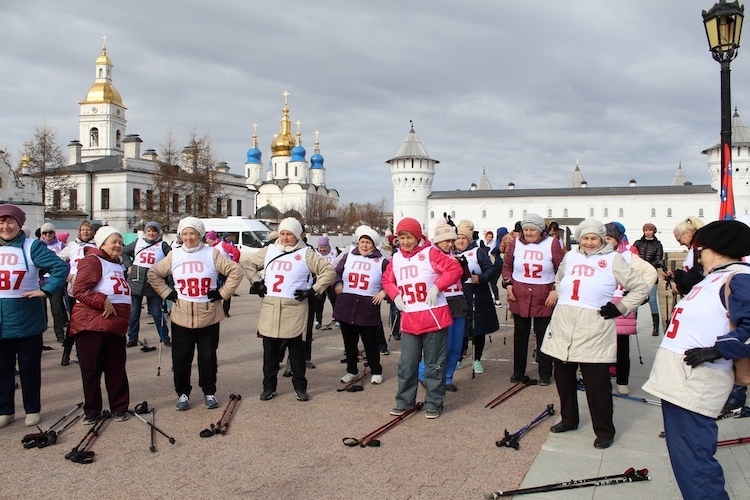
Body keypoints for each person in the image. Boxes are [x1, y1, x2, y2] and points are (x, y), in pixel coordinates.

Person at [643, 219, 750, 500]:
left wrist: (719, 350)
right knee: (686, 460)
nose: (698, 254)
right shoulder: (714, 277)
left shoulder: (738, 277)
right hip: (679, 380)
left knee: (695, 464)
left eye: (700, 249)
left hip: (697, 382)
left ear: (715, 249)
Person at [542, 219, 648, 449]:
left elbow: (640, 286)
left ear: (601, 239)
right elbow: (559, 280)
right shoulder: (570, 256)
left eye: (594, 238)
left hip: (594, 326)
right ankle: (569, 419)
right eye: (585, 237)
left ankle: (604, 430)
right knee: (563, 377)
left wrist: (620, 307)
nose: (589, 242)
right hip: (564, 323)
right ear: (579, 238)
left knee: (596, 383)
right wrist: (563, 298)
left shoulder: (613, 259)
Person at [147, 217, 243, 411]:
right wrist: (168, 293)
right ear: (180, 235)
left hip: (208, 315)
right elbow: (153, 274)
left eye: (193, 233)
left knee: (207, 358)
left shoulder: (211, 253)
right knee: (181, 358)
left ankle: (209, 391)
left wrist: (222, 293)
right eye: (185, 233)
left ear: (201, 234)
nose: (189, 237)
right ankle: (183, 393)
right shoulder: (174, 255)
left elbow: (236, 272)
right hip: (182, 315)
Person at [242, 217, 334, 402]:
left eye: (289, 234)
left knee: (297, 353)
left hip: (294, 309)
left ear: (297, 235)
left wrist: (312, 290)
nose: (285, 237)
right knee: (270, 353)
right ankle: (269, 387)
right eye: (283, 233)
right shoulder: (269, 250)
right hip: (271, 308)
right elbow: (248, 264)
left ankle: (300, 387)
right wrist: (257, 282)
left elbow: (328, 271)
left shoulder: (306, 253)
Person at [382, 217, 463, 419]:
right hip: (409, 318)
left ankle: (434, 403)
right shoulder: (396, 258)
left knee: (434, 363)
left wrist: (437, 286)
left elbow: (455, 269)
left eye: (409, 237)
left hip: (434, 317)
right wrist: (395, 295)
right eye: (401, 237)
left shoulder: (430, 253)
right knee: (407, 364)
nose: (405, 242)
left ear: (417, 236)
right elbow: (386, 279)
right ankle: (404, 401)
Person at [0, 205, 68, 429]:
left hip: (26, 317)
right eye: (1, 222)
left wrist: (46, 290)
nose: (5, 226)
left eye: (10, 222)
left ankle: (32, 408)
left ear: (19, 224)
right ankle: (5, 410)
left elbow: (59, 268)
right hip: (1, 321)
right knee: (2, 368)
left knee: (29, 368)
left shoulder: (32, 246)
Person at [70, 226, 133, 423]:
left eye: (120, 242)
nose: (118, 245)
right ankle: (92, 411)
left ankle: (119, 407)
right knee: (91, 370)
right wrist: (102, 300)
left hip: (114, 325)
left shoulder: (117, 263)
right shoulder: (93, 260)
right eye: (113, 241)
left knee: (116, 369)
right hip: (92, 325)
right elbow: (78, 290)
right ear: (102, 243)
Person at [502, 213, 564, 385]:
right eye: (526, 229)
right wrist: (508, 285)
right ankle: (518, 372)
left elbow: (562, 269)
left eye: (532, 230)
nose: (528, 233)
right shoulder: (516, 242)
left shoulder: (552, 243)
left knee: (543, 335)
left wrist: (555, 291)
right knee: (520, 335)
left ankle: (545, 373)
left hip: (544, 295)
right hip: (519, 293)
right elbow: (507, 266)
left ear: (540, 230)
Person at [604, 222, 657, 395]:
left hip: (621, 305)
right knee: (602, 345)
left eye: (609, 238)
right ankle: (603, 379)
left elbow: (650, 273)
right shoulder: (595, 255)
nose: (606, 241)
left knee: (622, 346)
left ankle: (622, 380)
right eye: (603, 238)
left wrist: (639, 294)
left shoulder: (628, 256)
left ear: (617, 239)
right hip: (602, 305)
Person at [334, 225, 388, 385]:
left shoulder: (382, 261)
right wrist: (337, 284)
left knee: (370, 342)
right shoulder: (349, 255)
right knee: (349, 343)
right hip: (347, 303)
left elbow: (391, 279)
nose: (364, 245)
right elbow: (336, 272)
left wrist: (384, 292)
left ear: (374, 244)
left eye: (368, 242)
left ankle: (376, 370)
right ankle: (351, 370)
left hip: (367, 306)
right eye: (362, 241)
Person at [417, 222, 468, 391]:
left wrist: (462, 264)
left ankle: (447, 377)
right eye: (446, 240)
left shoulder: (456, 254)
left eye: (451, 240)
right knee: (441, 346)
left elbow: (465, 278)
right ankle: (423, 373)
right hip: (440, 302)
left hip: (458, 301)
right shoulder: (431, 255)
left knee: (456, 345)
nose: (450, 244)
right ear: (437, 241)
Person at [455, 221, 499, 375]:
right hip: (460, 294)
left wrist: (479, 278)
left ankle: (477, 359)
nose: (460, 241)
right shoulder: (451, 254)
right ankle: (458, 357)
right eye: (458, 238)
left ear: (469, 239)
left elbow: (490, 270)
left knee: (478, 328)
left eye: (463, 238)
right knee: (460, 328)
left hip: (477, 293)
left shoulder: (478, 252)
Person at [123, 221, 172, 348]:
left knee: (156, 312)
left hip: (153, 282)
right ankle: (132, 338)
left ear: (158, 233)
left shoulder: (163, 245)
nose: (151, 233)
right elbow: (123, 252)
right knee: (134, 313)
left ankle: (165, 337)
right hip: (136, 280)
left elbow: (173, 259)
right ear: (145, 232)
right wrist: (128, 265)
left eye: (154, 231)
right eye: (149, 231)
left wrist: (164, 272)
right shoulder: (138, 242)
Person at [633, 222, 664, 336]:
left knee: (652, 300)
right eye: (646, 230)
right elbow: (633, 256)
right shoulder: (638, 243)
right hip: (638, 275)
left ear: (653, 231)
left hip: (651, 274)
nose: (648, 232)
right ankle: (633, 325)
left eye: (650, 230)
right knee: (636, 300)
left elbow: (658, 258)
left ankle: (655, 327)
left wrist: (647, 267)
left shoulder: (657, 245)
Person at [39, 222, 68, 342]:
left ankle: (60, 335)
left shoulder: (60, 245)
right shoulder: (38, 245)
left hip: (54, 280)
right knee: (41, 310)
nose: (47, 235)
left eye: (50, 232)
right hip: (41, 280)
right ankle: (41, 334)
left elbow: (66, 261)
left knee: (56, 309)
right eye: (45, 233)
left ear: (54, 233)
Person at [664, 216, 705, 296]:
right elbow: (690, 271)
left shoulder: (699, 247)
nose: (680, 244)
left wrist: (681, 287)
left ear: (687, 233)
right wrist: (675, 274)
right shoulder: (694, 248)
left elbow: (698, 271)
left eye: (679, 240)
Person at [205, 230, 241, 318]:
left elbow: (236, 252)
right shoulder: (208, 247)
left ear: (211, 238)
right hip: (214, 272)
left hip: (225, 271)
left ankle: (225, 311)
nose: (206, 240)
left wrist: (233, 264)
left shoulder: (222, 244)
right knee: (213, 291)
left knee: (227, 291)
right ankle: (215, 309)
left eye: (207, 238)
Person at [314, 236, 340, 329]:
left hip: (332, 281)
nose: (322, 249)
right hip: (320, 281)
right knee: (319, 302)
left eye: (324, 247)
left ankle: (337, 319)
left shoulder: (335, 251)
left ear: (328, 246)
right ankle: (318, 320)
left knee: (334, 300)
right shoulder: (314, 253)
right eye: (320, 247)